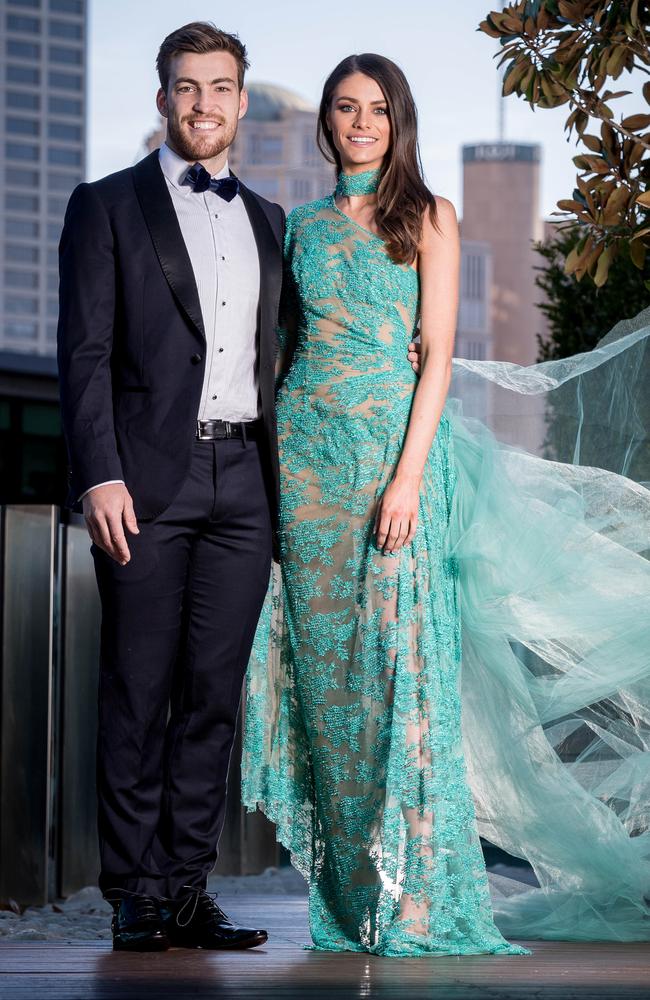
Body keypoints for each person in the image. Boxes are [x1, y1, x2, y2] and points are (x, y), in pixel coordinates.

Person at [242, 52, 650, 956]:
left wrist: (406, 478)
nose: (359, 123)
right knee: (330, 691)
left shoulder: (429, 217)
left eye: (376, 110)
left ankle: (415, 901)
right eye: (345, 109)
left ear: (400, 122)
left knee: (400, 682)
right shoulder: (297, 227)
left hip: (393, 461)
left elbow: (434, 359)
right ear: (327, 123)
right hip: (306, 471)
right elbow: (277, 356)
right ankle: (351, 906)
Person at [57, 22, 283, 951]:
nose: (203, 104)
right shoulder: (105, 205)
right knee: (137, 689)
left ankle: (187, 888)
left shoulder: (271, 221)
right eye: (186, 87)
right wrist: (99, 473)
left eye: (220, 87)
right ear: (163, 99)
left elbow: (295, 356)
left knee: (214, 694)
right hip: (147, 478)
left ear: (241, 100)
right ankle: (136, 894)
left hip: (248, 486)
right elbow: (85, 354)